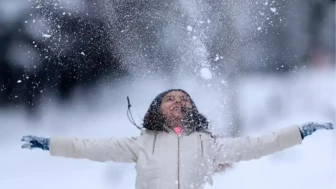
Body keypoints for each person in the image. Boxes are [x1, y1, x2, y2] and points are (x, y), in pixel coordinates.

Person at [21, 89, 334, 189]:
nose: (178, 102)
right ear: (156, 109)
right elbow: (89, 147)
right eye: (170, 98)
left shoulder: (207, 144)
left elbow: (257, 145)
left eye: (184, 99)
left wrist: (299, 132)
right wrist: (49, 143)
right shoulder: (141, 143)